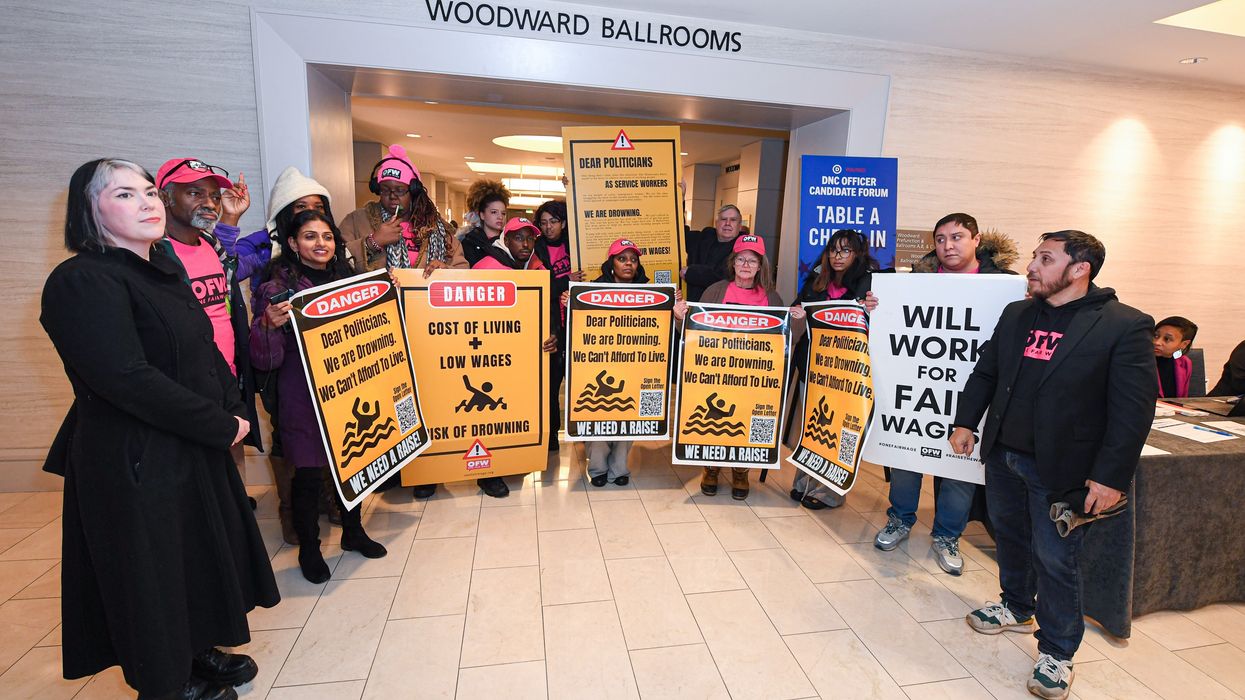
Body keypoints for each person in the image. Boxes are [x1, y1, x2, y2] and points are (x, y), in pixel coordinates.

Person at [41, 159, 279, 699]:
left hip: (190, 445)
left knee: (191, 557)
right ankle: (165, 680)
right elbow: (127, 379)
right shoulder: (81, 280)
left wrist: (234, 404)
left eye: (149, 191)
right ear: (88, 211)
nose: (147, 202)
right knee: (150, 576)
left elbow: (202, 345)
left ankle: (195, 650)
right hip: (136, 458)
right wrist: (219, 424)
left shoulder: (163, 265)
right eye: (126, 194)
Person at [950, 230, 1156, 700]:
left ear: (1079, 269)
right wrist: (966, 422)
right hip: (1004, 454)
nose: (1032, 266)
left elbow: (1132, 412)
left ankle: (1057, 652)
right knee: (1011, 539)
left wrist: (1110, 477)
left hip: (1062, 468)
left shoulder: (1123, 325)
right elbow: (987, 371)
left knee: (1056, 559)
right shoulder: (1018, 313)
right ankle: (1017, 607)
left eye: (1046, 258)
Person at [871, 213, 1019, 576]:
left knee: (959, 466)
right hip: (916, 393)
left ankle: (947, 535)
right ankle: (900, 519)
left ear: (976, 240)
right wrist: (875, 307)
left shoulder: (1005, 286)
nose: (948, 246)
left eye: (957, 237)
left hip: (970, 396)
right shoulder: (913, 283)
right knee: (905, 456)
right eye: (940, 239)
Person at [250, 210, 388, 583]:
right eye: (310, 237)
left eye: (327, 236)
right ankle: (309, 548)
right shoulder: (275, 291)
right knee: (308, 475)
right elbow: (264, 357)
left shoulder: (351, 281)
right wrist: (268, 325)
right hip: (303, 396)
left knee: (355, 461)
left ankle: (353, 531)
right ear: (293, 243)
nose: (321, 244)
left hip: (351, 391)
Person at [228, 166, 336, 545]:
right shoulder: (262, 248)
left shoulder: (334, 262)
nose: (309, 212)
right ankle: (294, 519)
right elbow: (225, 268)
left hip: (333, 370)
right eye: (300, 207)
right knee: (293, 446)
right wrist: (229, 223)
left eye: (317, 206)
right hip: (285, 362)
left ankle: (334, 505)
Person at [154, 158, 263, 493]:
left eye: (214, 196)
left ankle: (236, 523)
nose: (209, 203)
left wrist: (230, 216)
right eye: (195, 193)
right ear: (166, 197)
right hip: (184, 382)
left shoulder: (213, 247)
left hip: (227, 378)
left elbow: (235, 274)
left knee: (232, 465)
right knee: (192, 478)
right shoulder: (153, 254)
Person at [673, 234, 806, 500]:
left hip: (753, 377)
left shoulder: (772, 297)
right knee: (713, 420)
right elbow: (693, 331)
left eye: (752, 260)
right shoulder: (715, 290)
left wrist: (799, 321)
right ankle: (710, 469)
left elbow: (785, 338)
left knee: (744, 418)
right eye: (741, 259)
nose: (746, 265)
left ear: (760, 266)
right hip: (716, 373)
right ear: (733, 263)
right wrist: (678, 318)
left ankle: (740, 472)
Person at [786, 230, 878, 510]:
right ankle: (804, 482)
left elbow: (884, 321)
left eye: (845, 251)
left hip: (848, 371)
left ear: (857, 254)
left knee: (840, 427)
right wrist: (797, 312)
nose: (838, 257)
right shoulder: (816, 279)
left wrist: (872, 309)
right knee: (814, 424)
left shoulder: (871, 282)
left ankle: (830, 492)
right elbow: (795, 308)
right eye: (834, 251)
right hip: (814, 366)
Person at [470, 217, 560, 497]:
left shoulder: (534, 268)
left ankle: (513, 458)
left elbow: (546, 310)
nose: (526, 244)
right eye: (519, 238)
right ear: (505, 240)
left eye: (530, 238)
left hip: (522, 357)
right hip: (489, 354)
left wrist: (551, 334)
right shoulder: (486, 267)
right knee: (490, 414)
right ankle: (488, 474)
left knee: (513, 409)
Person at [569, 238, 651, 486]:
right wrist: (569, 301)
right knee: (598, 413)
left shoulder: (650, 292)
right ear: (611, 263)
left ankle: (619, 469)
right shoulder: (592, 290)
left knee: (628, 417)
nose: (628, 264)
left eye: (633, 260)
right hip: (598, 365)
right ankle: (597, 469)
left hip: (634, 365)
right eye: (622, 258)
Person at [340, 144, 468, 274]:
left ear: (413, 191)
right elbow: (336, 263)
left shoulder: (439, 230)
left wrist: (445, 270)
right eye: (385, 190)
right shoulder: (357, 221)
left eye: (400, 190)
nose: (392, 196)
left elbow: (462, 270)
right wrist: (373, 242)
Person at [533, 199, 584, 451]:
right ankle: (551, 436)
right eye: (543, 223)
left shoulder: (576, 246)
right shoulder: (535, 248)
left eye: (553, 221)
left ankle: (586, 434)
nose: (548, 227)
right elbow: (540, 286)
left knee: (582, 383)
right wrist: (567, 280)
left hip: (578, 326)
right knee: (551, 385)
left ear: (563, 223)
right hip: (551, 327)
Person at [681, 204, 743, 302]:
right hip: (690, 304)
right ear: (716, 223)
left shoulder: (744, 248)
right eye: (723, 219)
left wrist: (691, 272)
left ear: (740, 226)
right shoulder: (704, 237)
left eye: (733, 220)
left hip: (719, 308)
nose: (727, 223)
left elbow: (725, 277)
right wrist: (679, 198)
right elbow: (679, 233)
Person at [459, 179, 511, 266]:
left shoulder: (509, 241)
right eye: (494, 212)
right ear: (482, 215)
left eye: (503, 213)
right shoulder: (469, 241)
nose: (500, 217)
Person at [1152, 316, 1198, 398]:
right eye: (1156, 336)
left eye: (1167, 339)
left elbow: (1182, 399)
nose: (1157, 342)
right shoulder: (1139, 360)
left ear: (1184, 344)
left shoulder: (1185, 363)